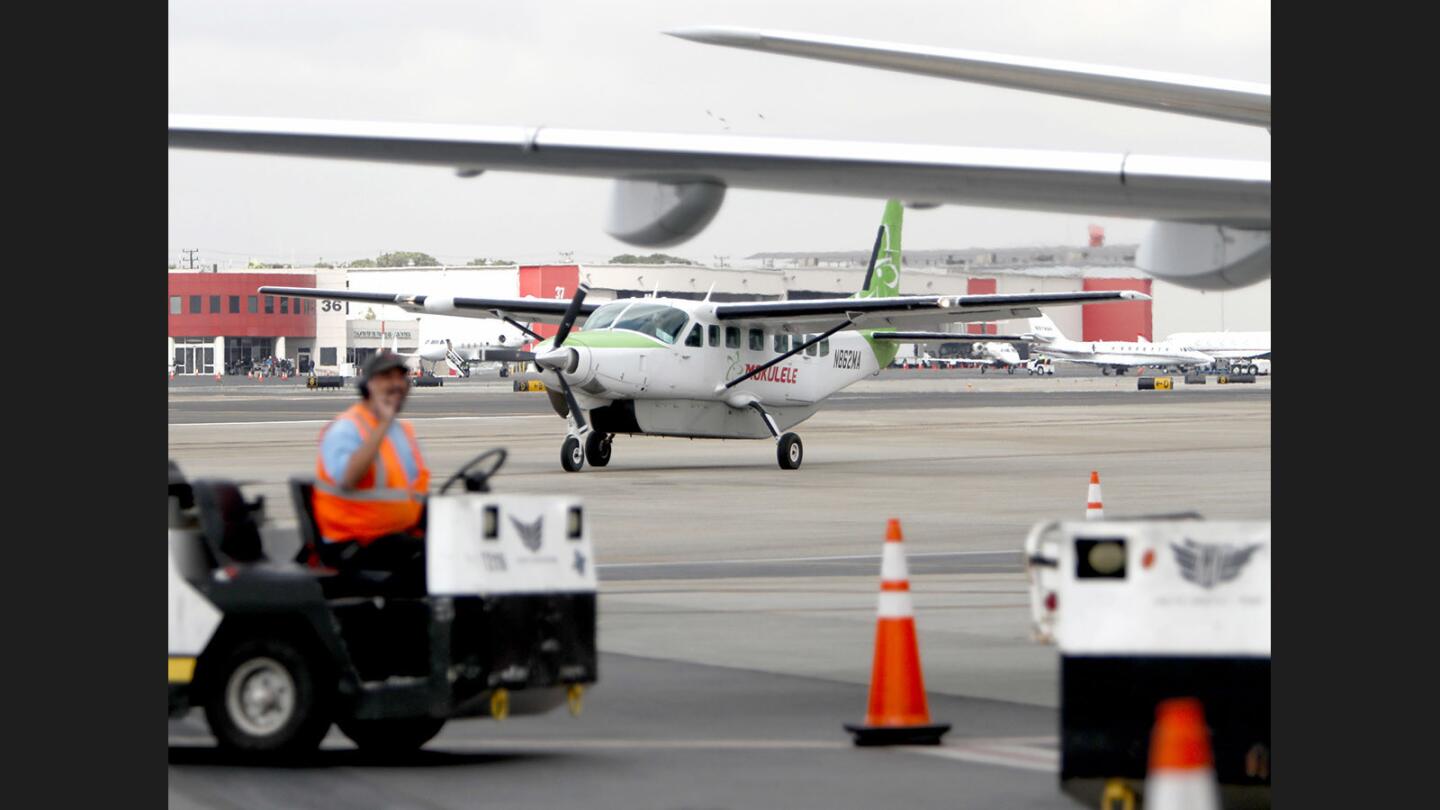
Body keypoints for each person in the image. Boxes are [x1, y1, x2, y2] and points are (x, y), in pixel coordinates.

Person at [310, 352, 430, 586]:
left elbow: (414, 490)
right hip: (354, 542)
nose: (396, 384)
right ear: (368, 385)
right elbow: (348, 478)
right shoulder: (346, 428)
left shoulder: (402, 431)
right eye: (387, 377)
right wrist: (383, 423)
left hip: (395, 535)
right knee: (437, 560)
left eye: (401, 378)